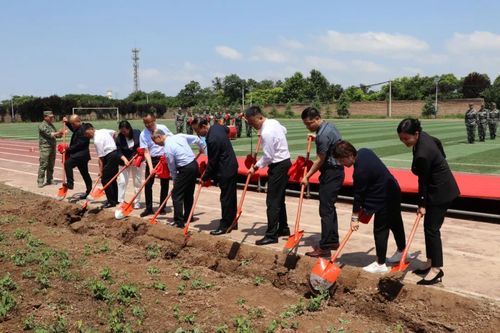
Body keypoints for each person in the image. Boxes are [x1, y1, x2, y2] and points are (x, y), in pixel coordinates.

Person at [397, 118, 460, 285]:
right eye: (401, 138)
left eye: (406, 139)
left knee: (432, 230)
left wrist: (422, 204)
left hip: (441, 192)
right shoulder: (424, 137)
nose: (404, 142)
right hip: (438, 187)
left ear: (416, 134)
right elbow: (437, 142)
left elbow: (422, 182)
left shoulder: (423, 154)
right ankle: (430, 262)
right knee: (428, 228)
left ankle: (436, 269)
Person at [333, 141, 406, 273]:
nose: (341, 164)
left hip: (385, 197)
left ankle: (380, 263)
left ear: (349, 155)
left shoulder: (360, 171)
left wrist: (355, 217)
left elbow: (358, 196)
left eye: (341, 160)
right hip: (394, 189)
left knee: (380, 229)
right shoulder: (365, 151)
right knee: (395, 223)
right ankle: (402, 251)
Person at [300, 107, 344, 258]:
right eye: (306, 124)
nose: (308, 126)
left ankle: (324, 247)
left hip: (331, 172)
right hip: (337, 171)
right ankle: (332, 240)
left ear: (318, 118)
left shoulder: (323, 135)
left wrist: (307, 176)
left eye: (310, 123)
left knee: (325, 210)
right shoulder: (329, 127)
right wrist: (315, 135)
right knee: (330, 208)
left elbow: (320, 159)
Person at [246, 106, 291, 245]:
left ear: (259, 117)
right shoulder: (274, 122)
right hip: (285, 162)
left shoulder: (266, 132)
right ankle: (283, 228)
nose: (253, 126)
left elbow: (268, 157)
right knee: (279, 198)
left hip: (278, 165)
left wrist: (255, 167)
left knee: (272, 201)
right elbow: (285, 130)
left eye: (253, 122)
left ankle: (271, 235)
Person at [192, 117, 238, 235]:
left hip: (225, 169)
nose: (197, 134)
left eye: (197, 131)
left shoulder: (212, 139)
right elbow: (228, 130)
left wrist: (204, 177)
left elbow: (213, 162)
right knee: (231, 196)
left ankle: (225, 225)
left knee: (226, 198)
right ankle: (233, 222)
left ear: (203, 127)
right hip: (232, 165)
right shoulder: (217, 127)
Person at [151, 129, 205, 228]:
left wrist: (175, 180)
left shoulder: (168, 148)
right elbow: (197, 139)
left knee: (176, 194)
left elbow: (172, 167)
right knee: (188, 193)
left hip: (185, 168)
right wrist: (201, 148)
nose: (157, 145)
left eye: (155, 142)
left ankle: (179, 222)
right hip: (193, 165)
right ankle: (188, 216)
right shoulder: (179, 136)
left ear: (159, 137)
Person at [83, 124, 129, 208]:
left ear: (91, 129)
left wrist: (101, 171)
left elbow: (101, 158)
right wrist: (113, 143)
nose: (87, 136)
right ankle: (115, 199)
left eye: (87, 134)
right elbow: (114, 133)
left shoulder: (97, 140)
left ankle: (111, 201)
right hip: (115, 154)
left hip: (110, 156)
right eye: (85, 135)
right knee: (112, 179)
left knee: (105, 179)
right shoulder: (103, 130)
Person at [139, 113, 173, 217]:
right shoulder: (143, 134)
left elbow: (170, 139)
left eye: (150, 122)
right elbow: (146, 152)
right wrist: (151, 167)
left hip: (164, 158)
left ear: (154, 120)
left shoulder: (162, 128)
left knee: (164, 183)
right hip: (152, 159)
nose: (148, 125)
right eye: (146, 123)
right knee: (148, 184)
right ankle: (149, 208)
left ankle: (162, 207)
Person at [62, 115, 93, 199]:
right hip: (81, 155)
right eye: (71, 124)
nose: (72, 126)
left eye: (72, 124)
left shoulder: (84, 129)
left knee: (68, 164)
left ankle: (70, 184)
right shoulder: (79, 128)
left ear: (77, 122)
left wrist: (67, 149)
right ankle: (89, 190)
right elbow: (74, 130)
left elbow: (79, 144)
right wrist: (67, 123)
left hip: (80, 154)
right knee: (84, 173)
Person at [115, 121, 143, 209]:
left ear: (129, 129)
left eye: (125, 131)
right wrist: (124, 159)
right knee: (122, 181)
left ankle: (137, 202)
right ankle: (121, 201)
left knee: (137, 182)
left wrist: (137, 157)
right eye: (122, 131)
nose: (124, 133)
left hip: (137, 161)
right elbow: (118, 151)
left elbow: (142, 146)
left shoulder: (137, 133)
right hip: (124, 162)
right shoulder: (119, 137)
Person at [37, 111, 64, 188]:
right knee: (43, 164)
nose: (52, 118)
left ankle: (50, 179)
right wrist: (58, 132)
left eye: (52, 117)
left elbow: (56, 135)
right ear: (45, 117)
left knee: (51, 165)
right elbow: (50, 134)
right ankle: (40, 181)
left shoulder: (51, 125)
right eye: (50, 117)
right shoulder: (42, 125)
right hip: (45, 147)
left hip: (52, 147)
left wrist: (61, 133)